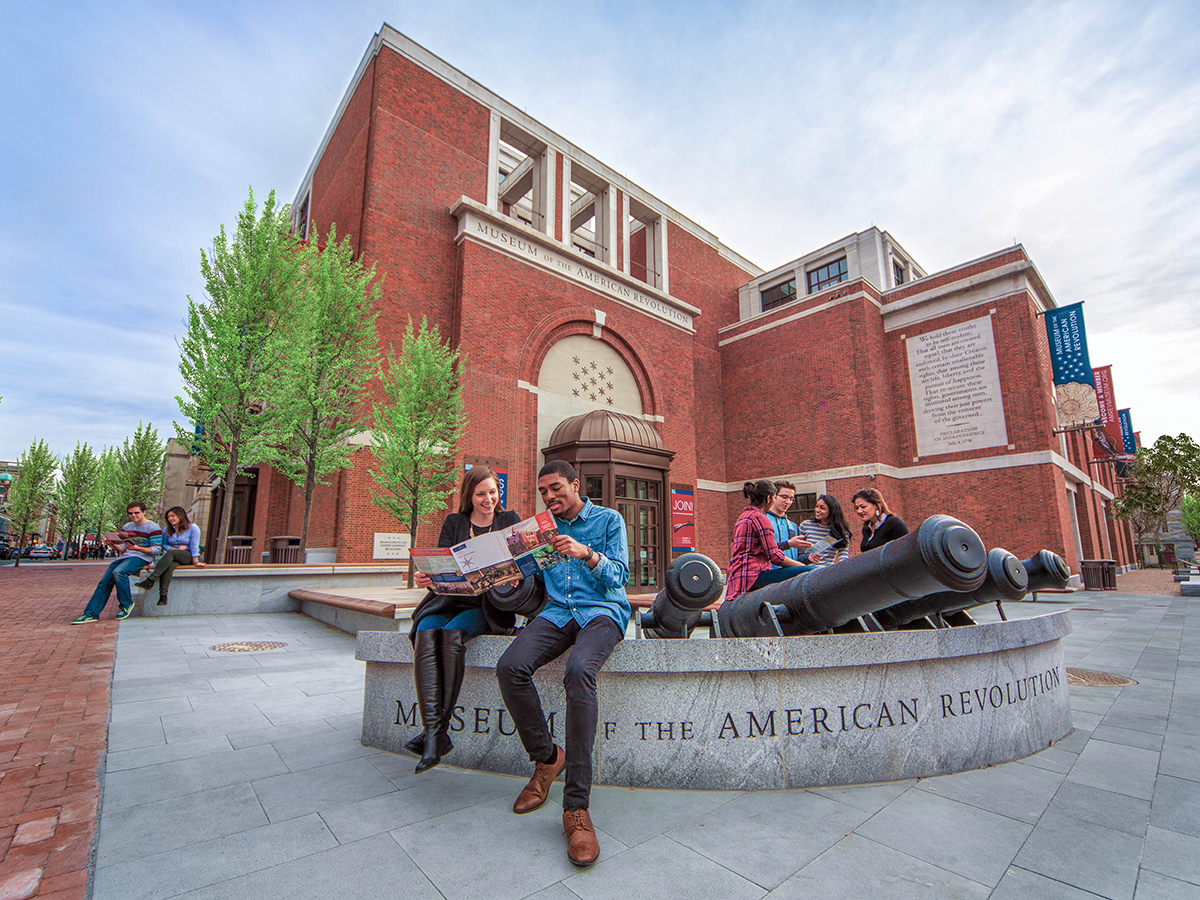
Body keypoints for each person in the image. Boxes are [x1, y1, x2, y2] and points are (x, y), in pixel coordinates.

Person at [496, 461, 629, 867]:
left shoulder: (609, 520)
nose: (550, 497)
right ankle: (546, 757)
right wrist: (475, 575)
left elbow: (620, 576)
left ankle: (576, 808)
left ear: (575, 485)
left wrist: (586, 553)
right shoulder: (540, 529)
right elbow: (519, 575)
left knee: (578, 672)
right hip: (557, 613)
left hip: (602, 612)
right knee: (510, 667)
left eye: (556, 488)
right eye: (544, 492)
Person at [407, 466, 522, 774]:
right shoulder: (454, 522)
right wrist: (426, 578)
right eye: (481, 493)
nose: (488, 499)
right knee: (427, 629)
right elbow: (441, 566)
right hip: (448, 599)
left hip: (488, 606)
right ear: (469, 496)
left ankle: (434, 735)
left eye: (493, 492)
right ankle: (435, 733)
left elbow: (525, 566)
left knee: (451, 633)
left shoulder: (508, 521)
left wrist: (513, 577)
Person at [71, 502, 161, 623]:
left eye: (136, 513)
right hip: (125, 557)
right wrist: (113, 544)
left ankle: (126, 604)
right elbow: (123, 548)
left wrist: (137, 548)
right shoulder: (127, 527)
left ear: (144, 512)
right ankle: (91, 613)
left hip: (142, 557)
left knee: (119, 572)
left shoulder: (153, 528)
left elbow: (156, 550)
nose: (133, 515)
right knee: (104, 582)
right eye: (130, 513)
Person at [725, 480, 812, 604]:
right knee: (809, 572)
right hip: (754, 576)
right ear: (769, 498)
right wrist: (803, 567)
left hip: (739, 578)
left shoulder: (744, 516)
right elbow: (775, 556)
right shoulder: (761, 518)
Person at [136, 506, 204, 605]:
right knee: (169, 566)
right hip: (173, 556)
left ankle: (151, 580)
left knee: (171, 554)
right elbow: (164, 544)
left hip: (188, 556)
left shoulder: (193, 528)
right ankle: (163, 597)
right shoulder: (167, 530)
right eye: (168, 517)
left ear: (180, 515)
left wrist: (196, 561)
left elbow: (194, 546)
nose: (170, 519)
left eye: (173, 516)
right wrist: (174, 549)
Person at [799, 494, 852, 567]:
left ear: (832, 511)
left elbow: (843, 557)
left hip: (827, 572)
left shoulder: (841, 531)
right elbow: (798, 553)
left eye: (822, 508)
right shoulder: (805, 526)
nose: (817, 510)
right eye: (816, 506)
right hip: (806, 571)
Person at [853, 487, 910, 552]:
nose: (859, 511)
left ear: (876, 505)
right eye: (856, 508)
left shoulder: (894, 524)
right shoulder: (866, 529)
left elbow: (907, 551)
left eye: (863, 507)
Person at [764, 480, 801, 566]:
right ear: (773, 496)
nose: (788, 502)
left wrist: (809, 558)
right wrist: (788, 544)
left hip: (792, 574)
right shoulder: (763, 521)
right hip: (770, 574)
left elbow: (799, 555)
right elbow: (765, 551)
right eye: (784, 497)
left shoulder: (793, 526)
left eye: (791, 499)